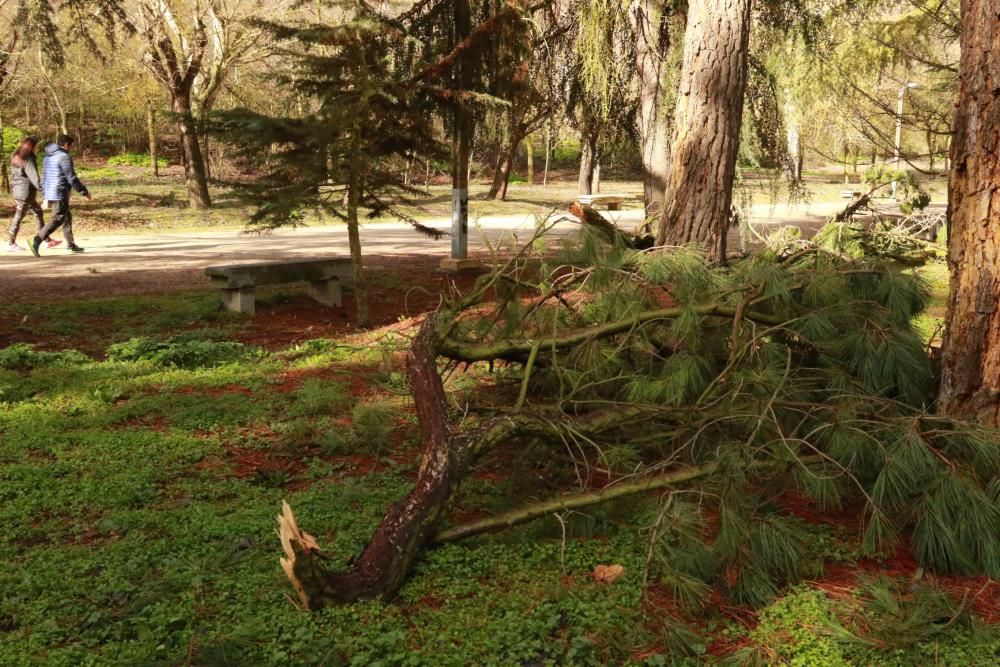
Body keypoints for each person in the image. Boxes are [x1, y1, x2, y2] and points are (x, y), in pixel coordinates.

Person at [31, 134, 90, 256]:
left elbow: (44, 177)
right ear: (67, 145)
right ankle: (37, 239)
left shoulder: (48, 157)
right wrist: (84, 191)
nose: (71, 149)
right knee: (58, 218)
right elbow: (71, 177)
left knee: (66, 216)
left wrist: (45, 193)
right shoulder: (64, 156)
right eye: (71, 146)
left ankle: (71, 244)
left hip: (51, 192)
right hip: (59, 192)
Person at [6, 137, 61, 252]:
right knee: (19, 216)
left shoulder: (15, 155)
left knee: (38, 212)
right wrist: (46, 192)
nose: (38, 148)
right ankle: (11, 243)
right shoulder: (28, 159)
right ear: (31, 147)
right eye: (37, 146)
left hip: (18, 191)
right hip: (25, 193)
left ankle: (46, 239)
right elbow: (35, 178)